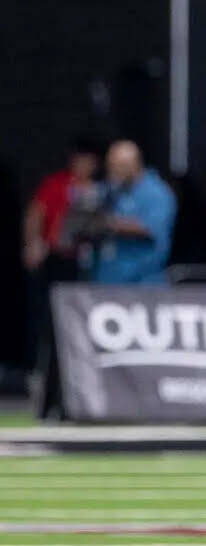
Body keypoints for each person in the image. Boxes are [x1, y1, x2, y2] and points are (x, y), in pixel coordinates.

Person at [22, 137, 101, 418]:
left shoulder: (98, 191)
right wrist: (32, 244)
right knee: (52, 329)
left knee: (80, 332)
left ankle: (78, 399)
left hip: (88, 267)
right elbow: (36, 213)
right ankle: (46, 400)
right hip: (57, 262)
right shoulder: (57, 184)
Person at [93, 140, 177, 284]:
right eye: (111, 165)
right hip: (108, 278)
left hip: (143, 281)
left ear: (135, 164)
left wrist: (109, 223)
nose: (114, 171)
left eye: (120, 166)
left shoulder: (157, 192)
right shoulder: (108, 190)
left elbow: (150, 229)